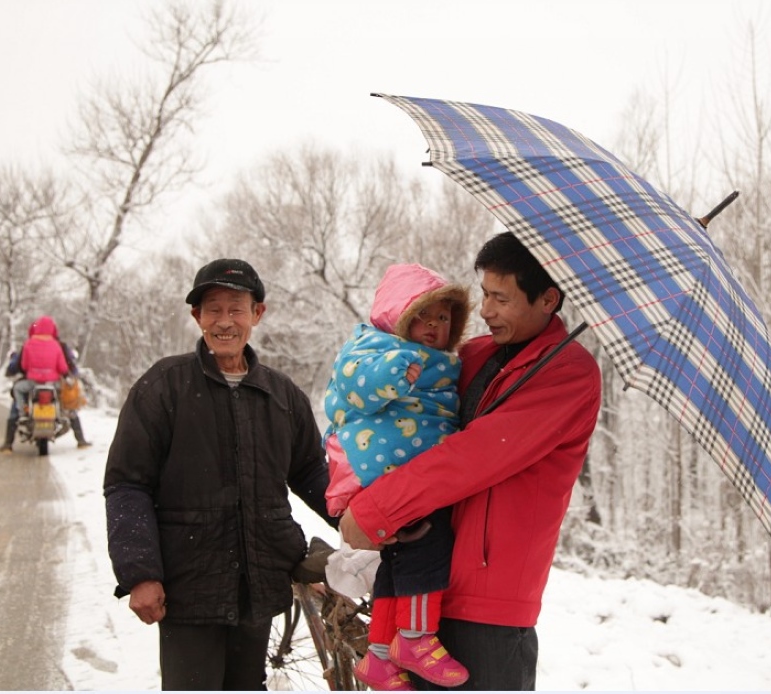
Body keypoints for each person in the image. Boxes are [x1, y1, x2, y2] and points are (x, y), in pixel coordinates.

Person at [340, 232, 602, 691]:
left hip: (488, 604)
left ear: (548, 299)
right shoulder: (473, 355)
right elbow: (411, 428)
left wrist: (377, 511)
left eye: (501, 298)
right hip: (424, 585)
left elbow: (474, 456)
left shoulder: (569, 373)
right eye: (484, 294)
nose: (484, 311)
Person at [103, 258, 336, 691]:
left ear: (257, 314)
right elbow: (127, 484)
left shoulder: (282, 395)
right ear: (197, 317)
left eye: (236, 308)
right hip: (189, 587)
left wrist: (363, 522)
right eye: (213, 309)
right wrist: (140, 572)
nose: (224, 322)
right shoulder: (162, 388)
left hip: (261, 583)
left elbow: (311, 472)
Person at [323, 263, 471, 690]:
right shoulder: (376, 347)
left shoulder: (443, 363)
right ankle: (416, 637)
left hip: (403, 470)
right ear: (398, 315)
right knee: (430, 541)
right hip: (380, 465)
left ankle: (381, 654)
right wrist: (391, 373)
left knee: (397, 558)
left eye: (444, 318)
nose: (433, 326)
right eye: (423, 315)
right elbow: (350, 387)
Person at [0, 316, 70, 452]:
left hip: (33, 383)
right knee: (60, 395)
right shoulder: (56, 345)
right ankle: (59, 413)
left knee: (18, 389)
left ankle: (22, 411)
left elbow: (24, 366)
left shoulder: (29, 343)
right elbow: (63, 367)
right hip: (51, 384)